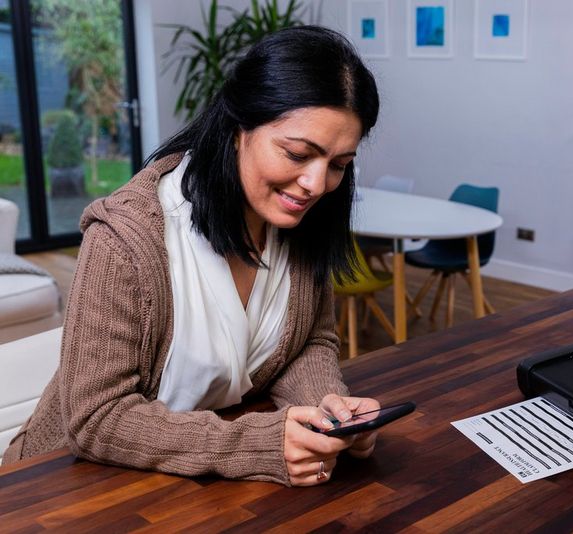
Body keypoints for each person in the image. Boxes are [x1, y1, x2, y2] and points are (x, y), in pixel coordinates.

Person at [2, 26, 381, 486]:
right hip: (61, 486)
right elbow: (97, 418)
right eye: (298, 154)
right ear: (239, 128)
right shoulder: (125, 240)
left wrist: (328, 411)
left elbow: (307, 342)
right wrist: (254, 444)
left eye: (339, 165)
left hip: (188, 488)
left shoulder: (297, 225)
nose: (317, 185)